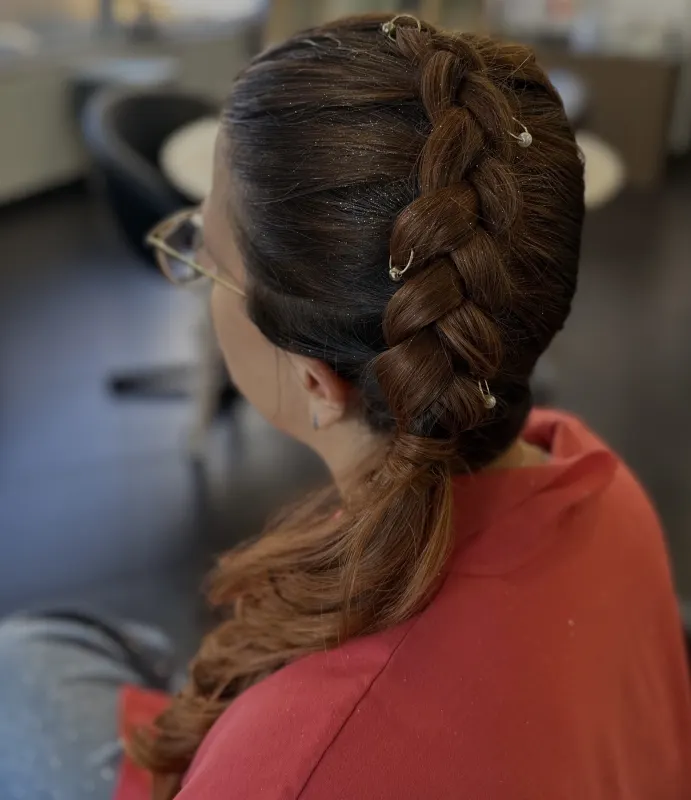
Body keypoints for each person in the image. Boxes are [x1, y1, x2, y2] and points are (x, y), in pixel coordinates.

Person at [1, 14, 690, 800]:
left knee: (24, 665)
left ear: (314, 382)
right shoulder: (599, 486)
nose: (191, 263)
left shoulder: (293, 765)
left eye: (205, 255)